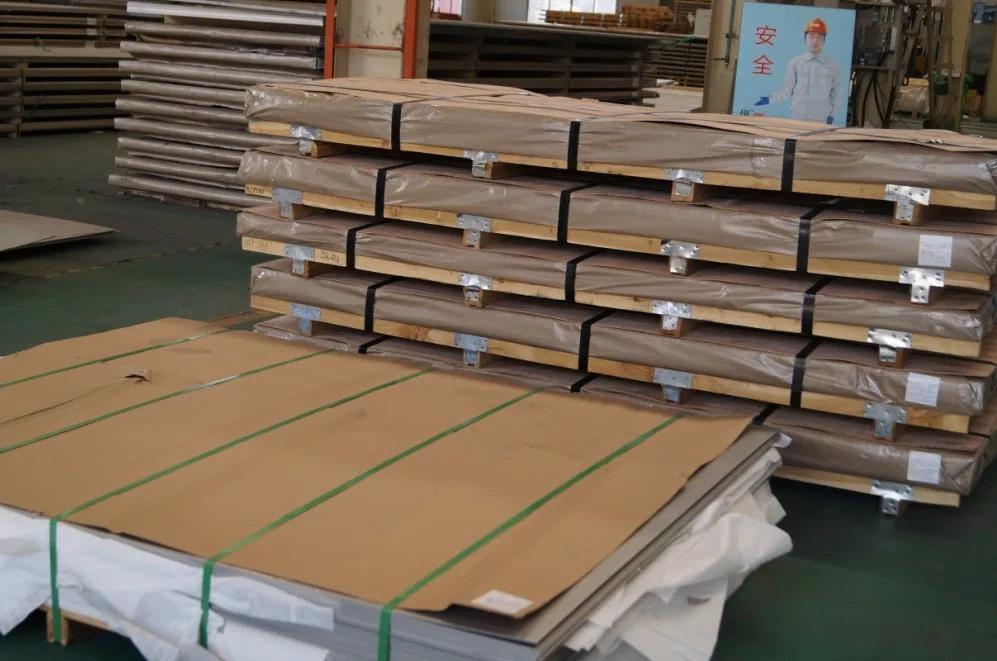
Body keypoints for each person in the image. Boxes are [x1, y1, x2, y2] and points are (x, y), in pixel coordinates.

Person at [755, 18, 843, 124]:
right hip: (797, 116)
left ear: (824, 40)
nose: (815, 41)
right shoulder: (796, 62)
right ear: (805, 38)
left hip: (821, 118)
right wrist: (770, 99)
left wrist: (833, 114)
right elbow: (787, 91)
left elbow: (837, 92)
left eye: (819, 37)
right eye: (811, 37)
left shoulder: (832, 64)